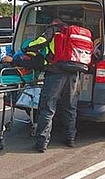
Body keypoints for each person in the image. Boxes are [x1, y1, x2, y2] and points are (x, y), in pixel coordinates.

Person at [28, 18, 80, 152]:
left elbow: (38, 43)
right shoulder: (74, 34)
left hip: (56, 73)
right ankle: (70, 139)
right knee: (70, 107)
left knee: (48, 108)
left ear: (53, 23)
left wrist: (27, 50)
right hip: (73, 74)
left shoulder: (53, 30)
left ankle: (42, 143)